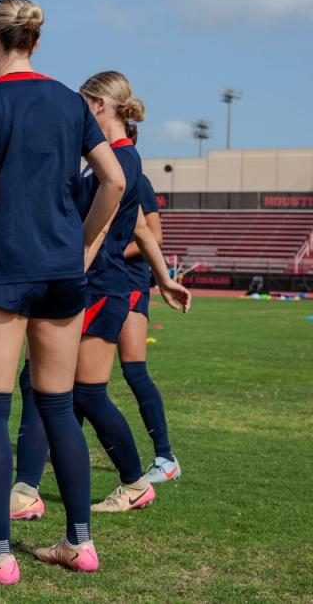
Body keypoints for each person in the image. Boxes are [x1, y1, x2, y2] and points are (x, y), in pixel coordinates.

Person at [0, 0, 127, 584]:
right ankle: (80, 543)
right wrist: (84, 242)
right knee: (57, 407)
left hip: (4, 269)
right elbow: (115, 180)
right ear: (36, 44)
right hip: (61, 272)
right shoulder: (71, 101)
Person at [9, 72, 191, 522]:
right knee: (41, 383)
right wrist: (164, 279)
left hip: (99, 288)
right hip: (91, 285)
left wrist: (68, 278)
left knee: (83, 392)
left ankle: (132, 482)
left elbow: (110, 229)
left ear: (96, 106)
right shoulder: (102, 160)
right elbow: (143, 231)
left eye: (79, 104)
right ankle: (26, 489)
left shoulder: (123, 163)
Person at [120, 174, 181, 482]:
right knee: (80, 375)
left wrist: (112, 251)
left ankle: (166, 457)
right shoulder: (94, 173)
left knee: (134, 370)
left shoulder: (134, 178)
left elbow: (153, 236)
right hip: (101, 283)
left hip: (127, 283)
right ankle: (63, 443)